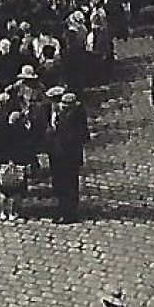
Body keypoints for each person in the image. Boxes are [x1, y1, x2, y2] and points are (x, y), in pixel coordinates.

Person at [50, 92, 89, 223]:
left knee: (69, 186)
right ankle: (64, 210)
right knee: (64, 185)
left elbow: (81, 136)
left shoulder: (75, 117)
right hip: (61, 156)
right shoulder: (71, 114)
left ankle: (69, 214)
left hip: (68, 156)